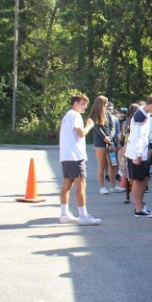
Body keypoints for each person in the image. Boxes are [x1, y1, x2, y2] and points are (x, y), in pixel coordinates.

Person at [58, 93, 101, 225]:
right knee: (81, 185)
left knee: (67, 185)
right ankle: (83, 215)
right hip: (75, 156)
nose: (84, 107)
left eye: (85, 104)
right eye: (82, 104)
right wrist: (89, 125)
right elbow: (81, 133)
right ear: (75, 103)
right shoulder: (75, 115)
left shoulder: (67, 115)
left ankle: (64, 214)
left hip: (66, 155)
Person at [126, 94, 152, 218]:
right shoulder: (140, 116)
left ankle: (140, 205)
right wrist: (137, 154)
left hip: (142, 152)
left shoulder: (146, 114)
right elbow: (137, 136)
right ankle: (138, 209)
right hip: (137, 153)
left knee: (145, 178)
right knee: (137, 180)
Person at [89, 95, 119, 195]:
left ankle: (113, 186)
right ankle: (102, 187)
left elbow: (113, 126)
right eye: (104, 103)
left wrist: (110, 138)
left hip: (110, 142)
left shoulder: (108, 113)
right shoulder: (94, 115)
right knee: (101, 164)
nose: (106, 106)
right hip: (100, 143)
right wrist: (104, 137)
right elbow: (97, 128)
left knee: (113, 164)